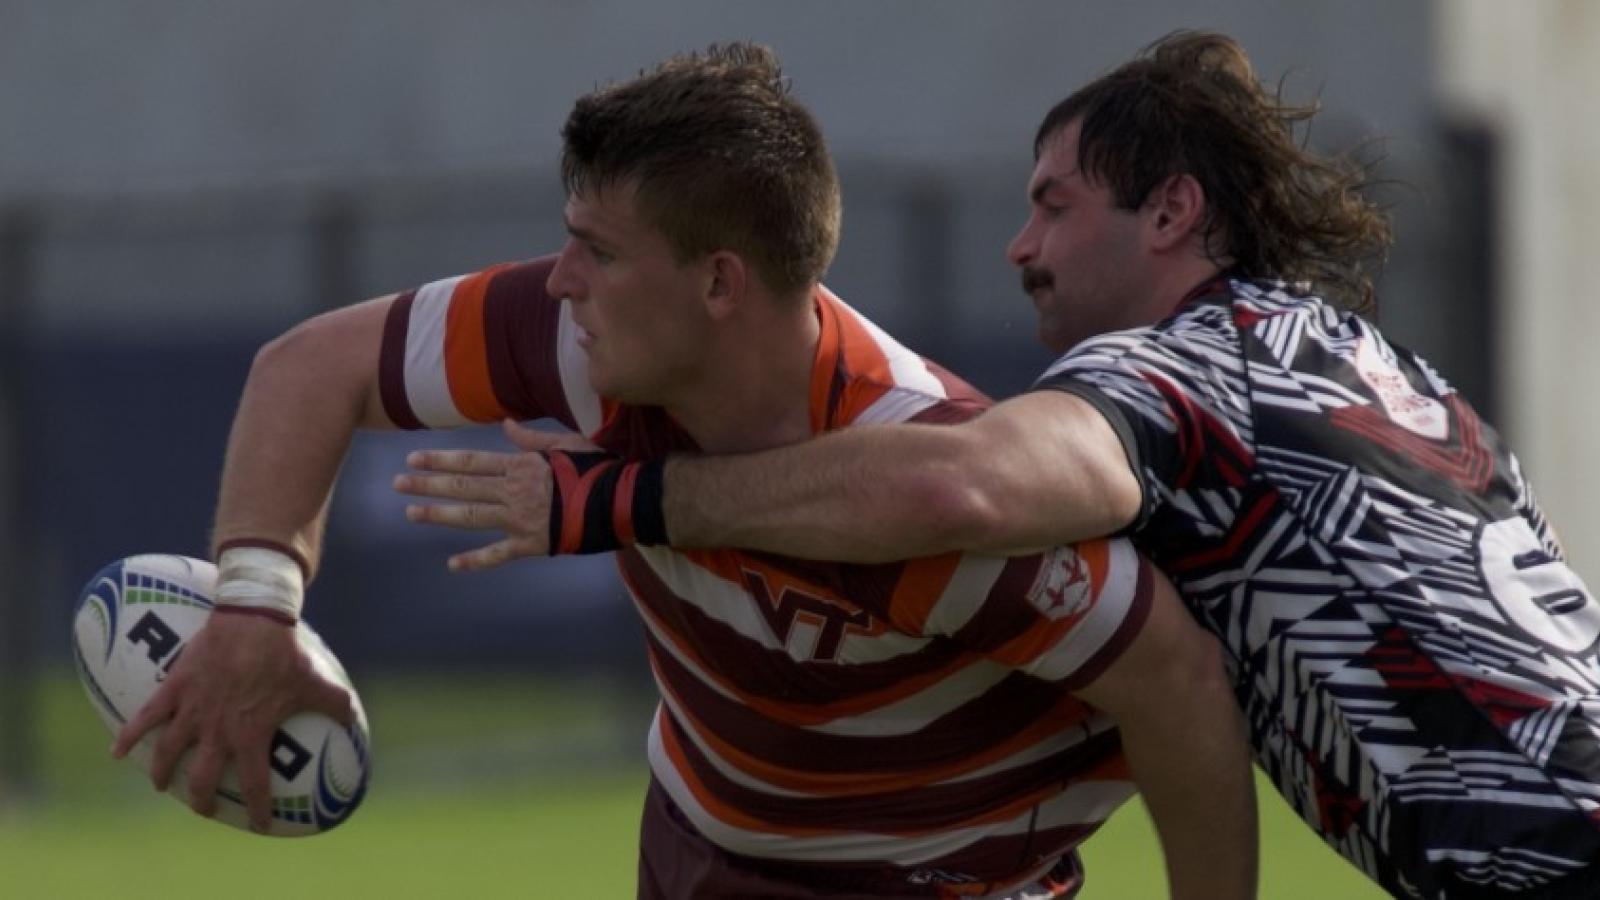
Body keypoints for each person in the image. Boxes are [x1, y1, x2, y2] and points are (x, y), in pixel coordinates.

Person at [407, 32, 1600, 900]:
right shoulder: (1376, 369)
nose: (1019, 247)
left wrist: (622, 499)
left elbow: (951, 487)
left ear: (1172, 212)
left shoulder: (1179, 368)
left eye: (1054, 205)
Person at [110, 43, 1257, 899]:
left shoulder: (936, 482)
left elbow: (1178, 691)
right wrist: (257, 609)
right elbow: (308, 368)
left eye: (598, 252)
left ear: (719, 284)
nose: (559, 281)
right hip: (698, 849)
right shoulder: (580, 345)